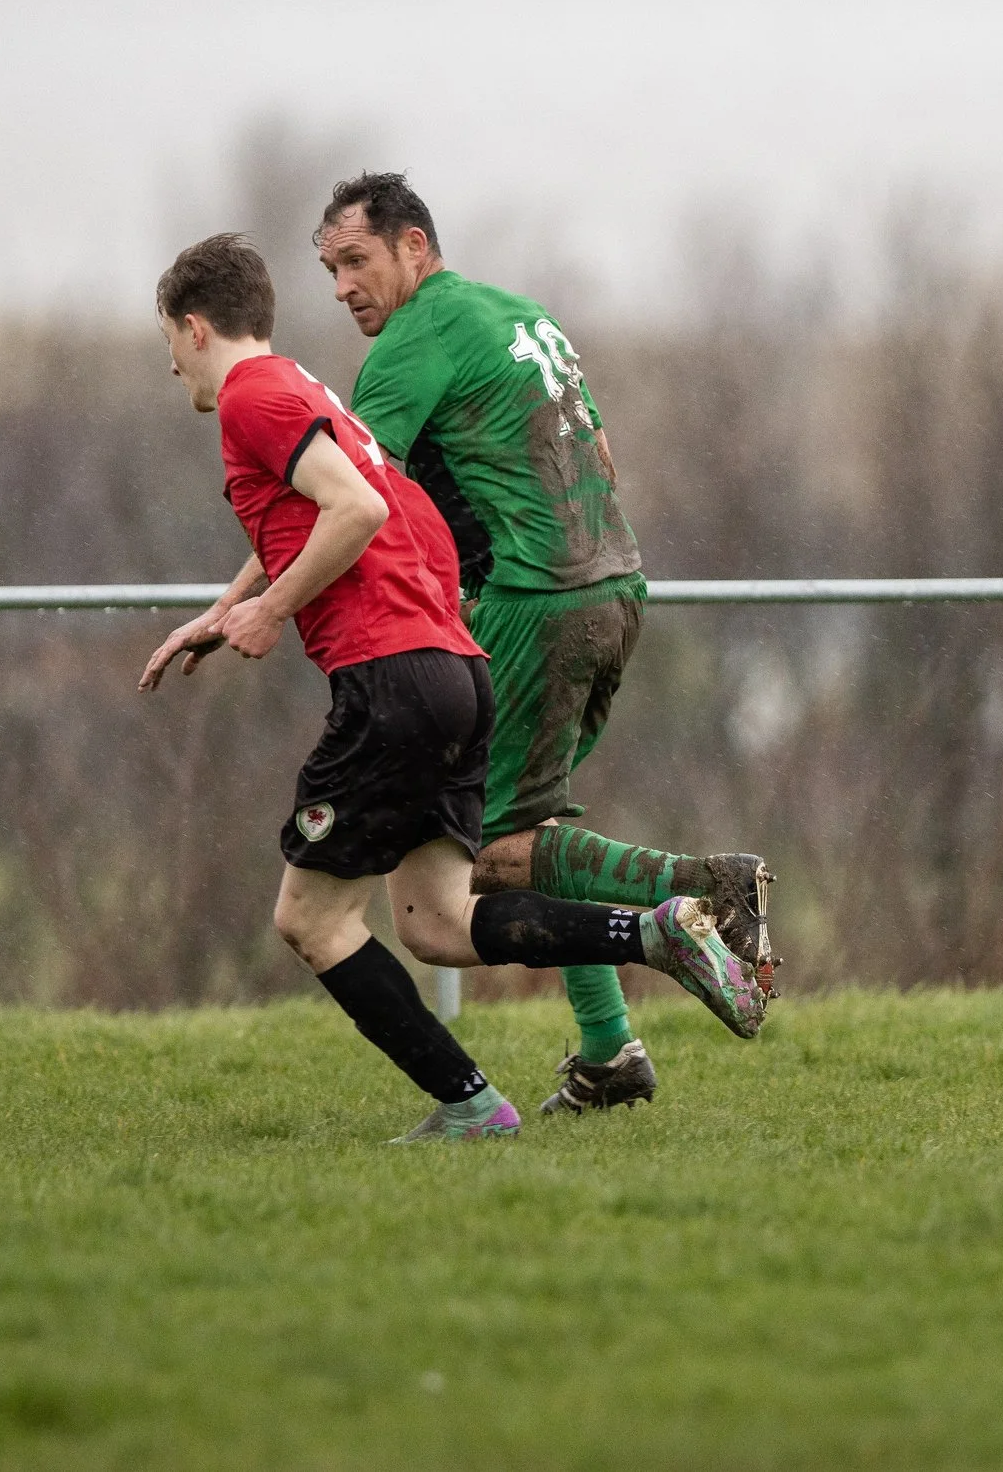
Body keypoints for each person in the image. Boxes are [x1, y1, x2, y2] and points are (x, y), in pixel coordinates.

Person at [136, 234, 768, 1143]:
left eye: (167, 341)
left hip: (391, 682)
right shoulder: (319, 399)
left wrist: (273, 611)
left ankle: (473, 1104)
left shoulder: (252, 399)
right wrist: (233, 613)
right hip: (452, 672)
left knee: (309, 918)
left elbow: (362, 511)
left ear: (195, 328)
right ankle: (659, 934)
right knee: (437, 922)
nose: (169, 366)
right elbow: (415, 520)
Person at [316, 173, 776, 1117]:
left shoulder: (412, 344)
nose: (342, 286)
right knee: (534, 835)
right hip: (614, 587)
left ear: (415, 248)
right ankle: (609, 1053)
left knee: (468, 855)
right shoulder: (519, 314)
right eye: (329, 269)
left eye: (356, 260)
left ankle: (702, 889)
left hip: (534, 603)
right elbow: (597, 454)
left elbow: (359, 495)